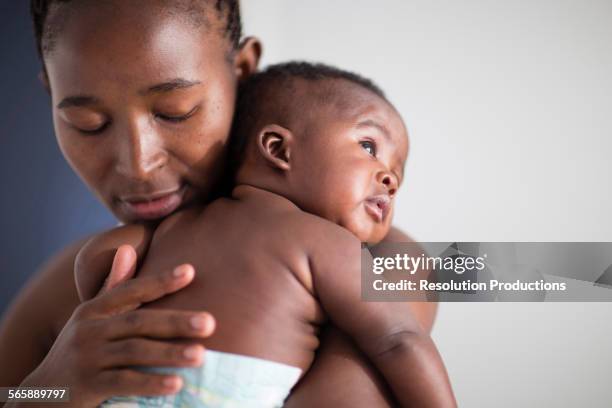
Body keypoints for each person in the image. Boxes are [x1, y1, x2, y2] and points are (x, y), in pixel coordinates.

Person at [0, 1, 437, 407]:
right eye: (87, 124)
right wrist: (48, 388)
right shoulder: (70, 279)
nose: (138, 164)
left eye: (176, 111)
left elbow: (483, 274)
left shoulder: (388, 259)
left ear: (243, 70)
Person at [74, 62, 456, 407]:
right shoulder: (325, 242)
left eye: (397, 175)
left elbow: (98, 259)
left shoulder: (177, 225)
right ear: (278, 149)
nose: (390, 180)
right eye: (370, 147)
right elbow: (398, 340)